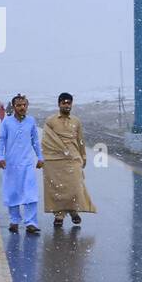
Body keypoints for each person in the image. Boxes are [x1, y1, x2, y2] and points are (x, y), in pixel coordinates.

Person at [42, 92, 96, 228]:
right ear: (59, 104)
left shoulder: (76, 121)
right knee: (57, 189)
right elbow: (46, 141)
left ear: (71, 104)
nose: (66, 105)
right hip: (55, 159)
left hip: (73, 158)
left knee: (75, 187)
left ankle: (73, 211)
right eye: (64, 102)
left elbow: (80, 140)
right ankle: (59, 215)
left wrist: (83, 156)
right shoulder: (51, 121)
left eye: (69, 102)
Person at [0, 94, 43, 234]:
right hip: (11, 164)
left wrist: (40, 157)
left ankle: (31, 223)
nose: (22, 107)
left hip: (27, 164)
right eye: (19, 105)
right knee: (13, 193)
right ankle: (14, 221)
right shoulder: (7, 122)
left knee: (30, 193)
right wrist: (0, 157)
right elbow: (1, 141)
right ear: (14, 107)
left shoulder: (31, 121)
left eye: (24, 105)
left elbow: (35, 140)